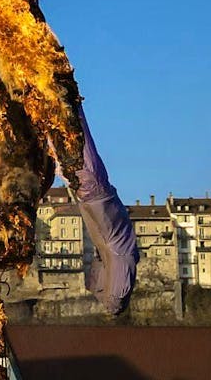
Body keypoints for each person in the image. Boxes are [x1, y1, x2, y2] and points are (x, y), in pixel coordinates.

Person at [70, 105, 139, 315]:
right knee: (68, 131)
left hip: (93, 189)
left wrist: (112, 307)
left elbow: (112, 297)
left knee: (73, 130)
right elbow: (109, 294)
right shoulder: (117, 252)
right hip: (90, 192)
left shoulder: (120, 252)